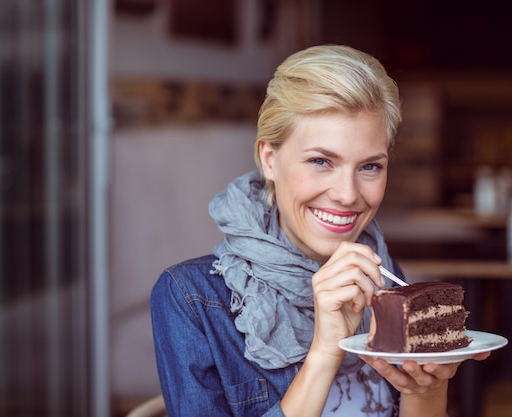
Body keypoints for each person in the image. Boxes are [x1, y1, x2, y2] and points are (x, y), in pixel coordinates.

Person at [150, 44, 490, 417]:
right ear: (270, 159)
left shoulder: (386, 279)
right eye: (321, 161)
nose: (347, 195)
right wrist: (325, 352)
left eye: (370, 167)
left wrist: (427, 387)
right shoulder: (191, 299)